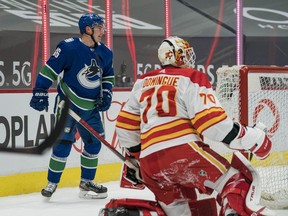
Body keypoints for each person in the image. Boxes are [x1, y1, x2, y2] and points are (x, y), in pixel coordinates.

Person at [103, 36, 274, 216]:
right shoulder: (191, 77)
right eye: (185, 53)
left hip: (150, 164)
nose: (189, 58)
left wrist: (136, 158)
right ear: (176, 56)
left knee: (180, 211)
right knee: (234, 182)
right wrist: (253, 138)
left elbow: (125, 127)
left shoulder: (142, 81)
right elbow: (213, 124)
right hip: (184, 153)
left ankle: (134, 214)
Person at [29, 13, 114, 199]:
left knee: (94, 143)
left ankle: (86, 182)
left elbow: (108, 76)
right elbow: (49, 70)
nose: (103, 31)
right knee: (63, 143)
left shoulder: (105, 53)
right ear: (88, 30)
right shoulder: (68, 48)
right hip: (68, 105)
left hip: (91, 108)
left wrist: (106, 93)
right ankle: (52, 183)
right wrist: (40, 90)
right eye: (99, 27)